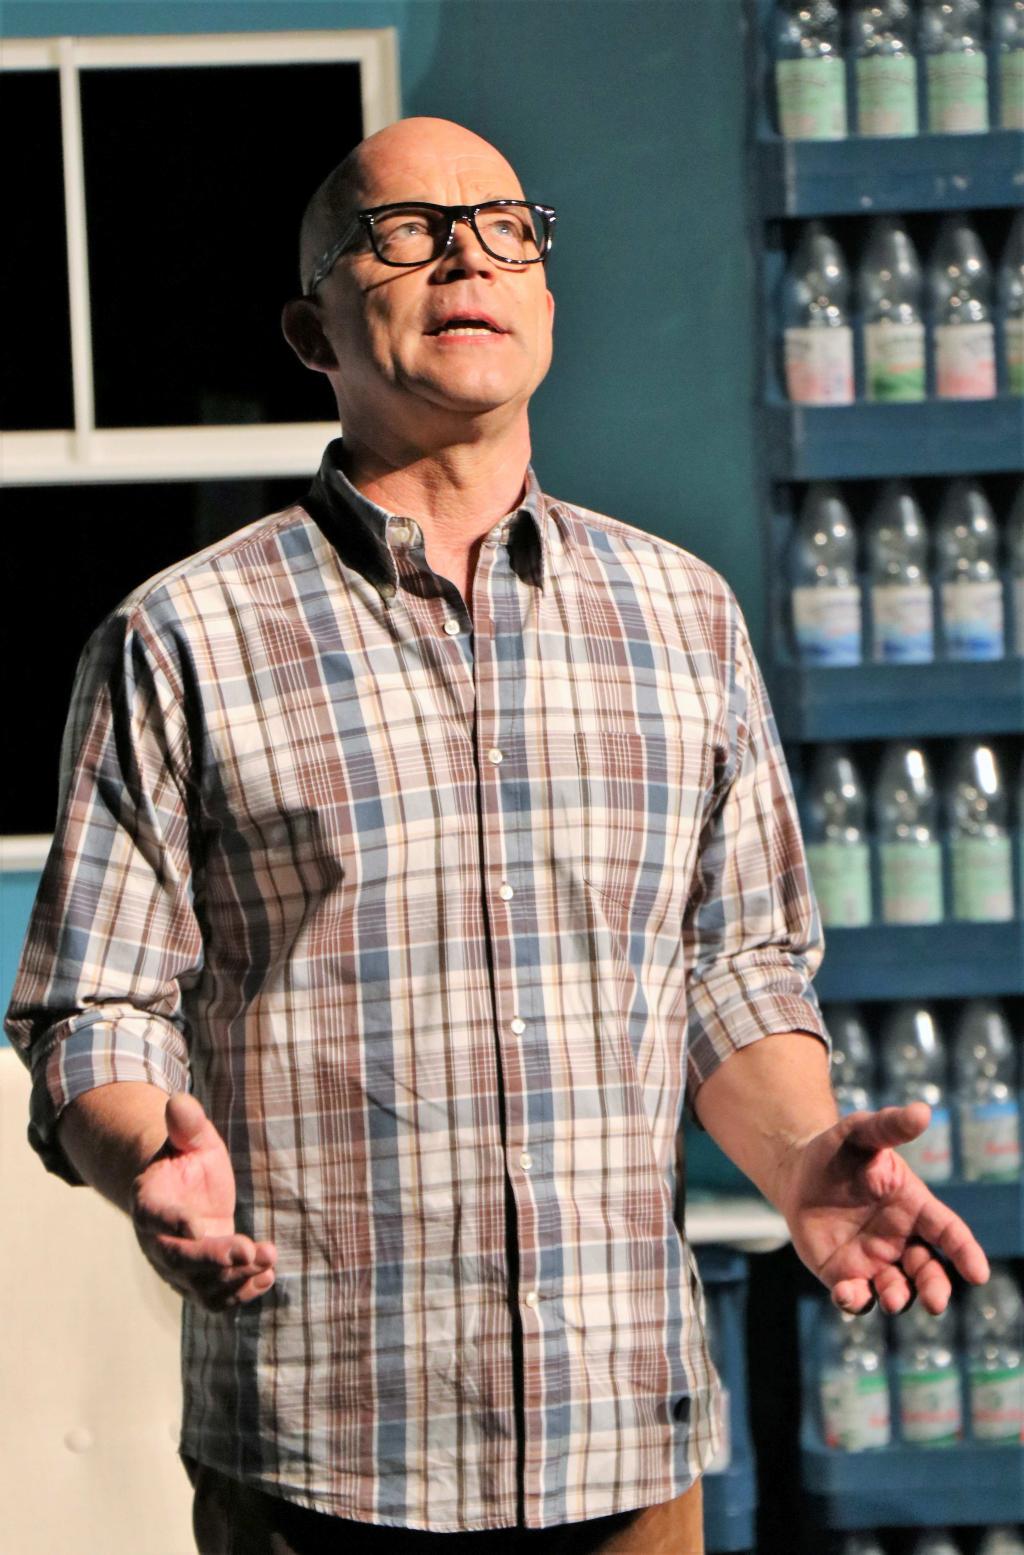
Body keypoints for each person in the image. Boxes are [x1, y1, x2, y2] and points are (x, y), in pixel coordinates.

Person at [6, 117, 989, 1555]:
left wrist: (798, 1158)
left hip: (627, 1441)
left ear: (544, 297)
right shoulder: (183, 637)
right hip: (327, 1451)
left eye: (505, 226)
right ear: (311, 332)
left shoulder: (684, 617)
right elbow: (92, 1003)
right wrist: (146, 1152)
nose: (466, 254)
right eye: (404, 231)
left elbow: (735, 972)